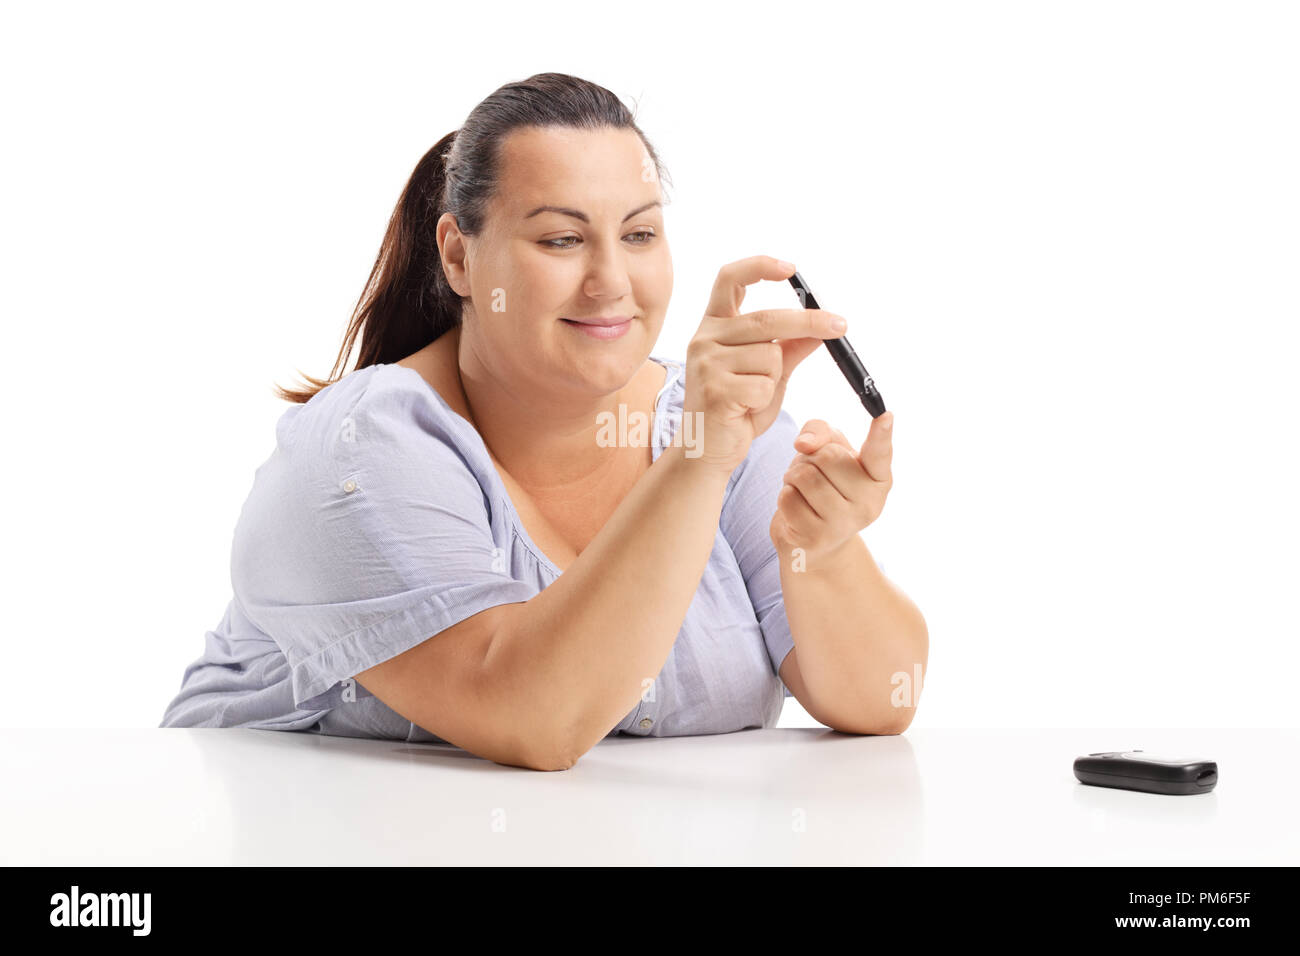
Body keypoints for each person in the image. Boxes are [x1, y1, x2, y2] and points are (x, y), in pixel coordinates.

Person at [160, 72, 928, 770]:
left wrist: (820, 555)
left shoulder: (710, 423)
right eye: (561, 239)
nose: (610, 282)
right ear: (459, 258)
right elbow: (532, 716)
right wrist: (699, 459)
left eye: (638, 235)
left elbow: (881, 700)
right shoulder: (361, 451)